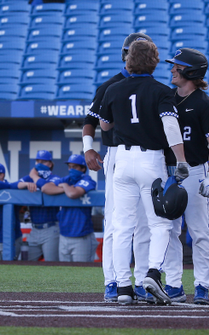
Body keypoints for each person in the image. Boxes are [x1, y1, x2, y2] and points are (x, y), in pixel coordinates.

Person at [96, 40, 189, 306]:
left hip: (122, 160)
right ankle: (151, 273)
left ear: (128, 60)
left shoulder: (114, 88)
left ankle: (123, 286)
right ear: (154, 61)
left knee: (123, 226)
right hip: (151, 159)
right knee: (159, 223)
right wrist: (181, 159)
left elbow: (104, 123)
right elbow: (171, 126)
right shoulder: (161, 91)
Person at [83, 32, 154, 303]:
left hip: (147, 156)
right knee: (116, 222)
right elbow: (90, 120)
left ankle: (141, 281)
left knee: (145, 224)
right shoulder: (110, 85)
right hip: (116, 153)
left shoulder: (153, 86)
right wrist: (88, 147)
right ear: (125, 54)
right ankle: (112, 280)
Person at [163, 47, 209, 305]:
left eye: (177, 66)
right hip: (167, 171)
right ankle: (174, 284)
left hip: (195, 171)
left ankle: (202, 285)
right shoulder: (165, 97)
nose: (172, 69)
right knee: (169, 231)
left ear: (191, 70)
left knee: (199, 231)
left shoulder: (204, 103)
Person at [41, 155, 97, 262]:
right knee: (65, 272)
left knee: (82, 273)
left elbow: (73, 193)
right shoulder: (66, 179)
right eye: (70, 167)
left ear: (83, 169)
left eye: (75, 167)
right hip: (63, 235)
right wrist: (64, 188)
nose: (71, 170)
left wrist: (65, 187)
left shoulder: (87, 180)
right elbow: (45, 188)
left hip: (82, 237)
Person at [17, 150, 60, 262]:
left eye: (43, 161)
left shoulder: (54, 178)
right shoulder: (29, 179)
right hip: (34, 229)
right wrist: (27, 183)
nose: (40, 164)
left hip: (51, 229)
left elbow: (46, 187)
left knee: (52, 266)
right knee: (25, 263)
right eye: (38, 161)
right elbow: (15, 185)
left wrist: (34, 176)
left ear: (50, 164)